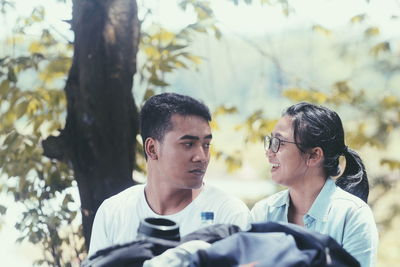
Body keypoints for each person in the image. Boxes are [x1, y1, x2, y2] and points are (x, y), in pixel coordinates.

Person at [88, 92, 251, 256]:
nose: (201, 157)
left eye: (206, 145)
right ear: (152, 149)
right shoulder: (114, 212)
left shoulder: (229, 215)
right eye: (188, 144)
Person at [251, 102, 378, 267]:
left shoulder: (352, 216)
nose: (269, 153)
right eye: (271, 141)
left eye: (280, 142)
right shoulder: (263, 212)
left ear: (314, 155)